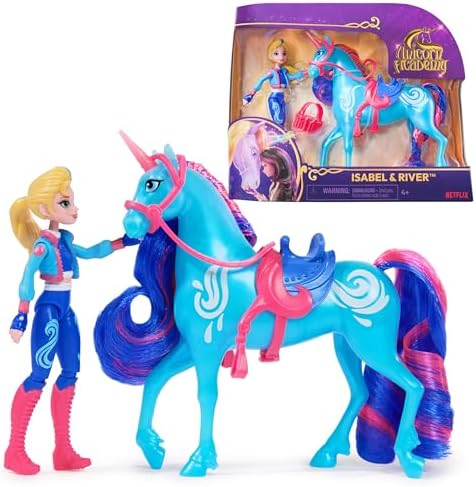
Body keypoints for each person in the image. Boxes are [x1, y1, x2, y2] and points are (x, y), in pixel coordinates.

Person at [4, 166, 137, 475]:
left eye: (71, 201)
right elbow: (26, 278)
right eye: (65, 203)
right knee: (39, 374)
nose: (74, 208)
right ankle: (14, 449)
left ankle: (63, 450)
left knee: (70, 372)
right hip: (48, 310)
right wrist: (21, 315)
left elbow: (91, 252)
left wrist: (122, 242)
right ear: (43, 209)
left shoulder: (63, 241)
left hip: (66, 312)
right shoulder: (43, 246)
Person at [243, 38, 306, 128]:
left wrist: (303, 73)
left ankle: (282, 133)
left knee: (283, 119)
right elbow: (261, 80)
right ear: (271, 56)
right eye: (276, 54)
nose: (281, 57)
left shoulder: (284, 72)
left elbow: (291, 77)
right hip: (274, 98)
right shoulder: (272, 72)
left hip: (281, 98)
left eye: (284, 54)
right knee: (278, 119)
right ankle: (278, 132)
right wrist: (250, 95)